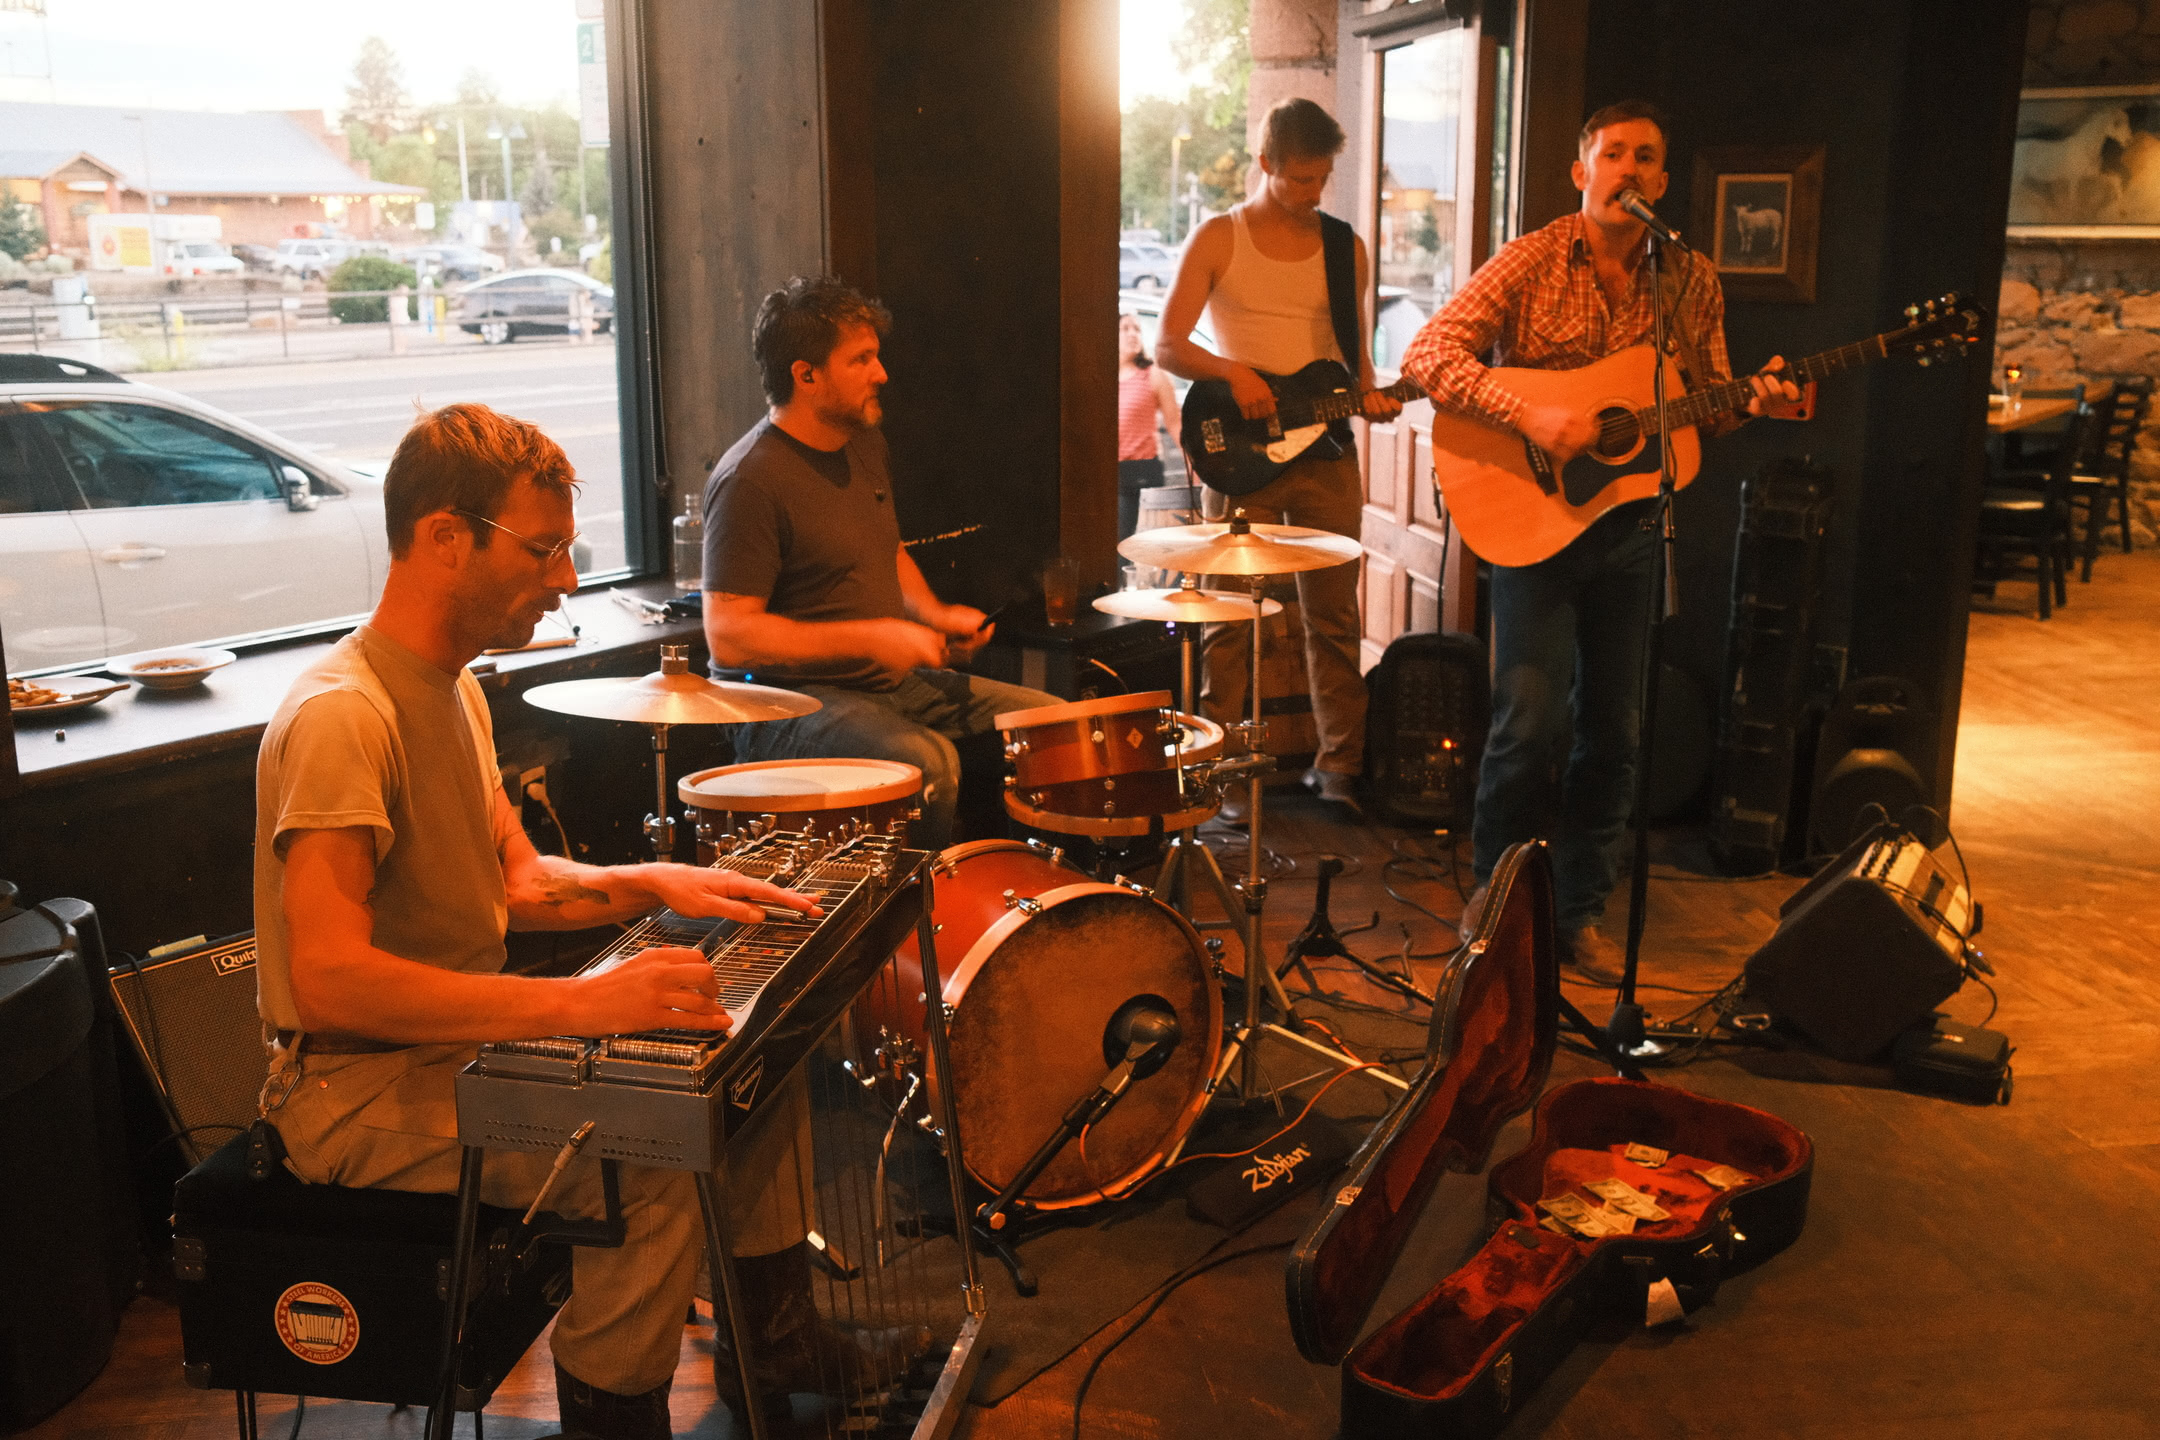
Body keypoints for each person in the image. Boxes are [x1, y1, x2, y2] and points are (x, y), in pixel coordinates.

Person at [252, 403, 860, 1440]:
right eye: (543, 550)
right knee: (647, 1149)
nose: (568, 577)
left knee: (740, 1069)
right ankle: (612, 1424)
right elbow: (329, 982)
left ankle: (778, 1351)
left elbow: (520, 887)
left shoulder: (454, 692)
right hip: (350, 1091)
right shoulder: (342, 717)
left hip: (449, 1053)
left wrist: (659, 880)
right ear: (447, 537)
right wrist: (582, 1005)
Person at [1398, 99, 1801, 982]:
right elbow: (1429, 356)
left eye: (1645, 157)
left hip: (1632, 529)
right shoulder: (1532, 259)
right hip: (1531, 525)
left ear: (1662, 181)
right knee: (1528, 724)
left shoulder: (1690, 280)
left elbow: (1703, 413)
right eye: (1611, 154)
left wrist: (1753, 402)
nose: (1627, 169)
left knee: (1617, 732)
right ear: (1581, 172)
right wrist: (1533, 413)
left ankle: (1578, 914)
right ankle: (1492, 911)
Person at [702, 275, 1060, 850]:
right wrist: (872, 637)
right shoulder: (750, 479)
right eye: (861, 359)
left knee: (1052, 727)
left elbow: (885, 550)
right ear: (806, 374)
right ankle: (916, 930)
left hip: (885, 685)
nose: (881, 373)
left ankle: (1020, 903)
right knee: (929, 762)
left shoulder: (863, 443)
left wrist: (935, 615)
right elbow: (729, 637)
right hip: (784, 706)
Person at [1154, 97, 1403, 819]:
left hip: (1324, 447)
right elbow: (1169, 345)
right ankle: (1219, 766)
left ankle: (1339, 768)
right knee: (1228, 619)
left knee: (1333, 616)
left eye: (1322, 179)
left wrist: (1373, 395)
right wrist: (1234, 374)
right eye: (1298, 179)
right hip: (1239, 450)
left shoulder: (1343, 246)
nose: (1312, 193)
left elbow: (1355, 363)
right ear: (1265, 164)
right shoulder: (1217, 238)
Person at [1117, 311, 1182, 540]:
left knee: (1123, 542)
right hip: (1104, 471)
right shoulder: (1101, 377)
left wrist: (1197, 467)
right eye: (1125, 328)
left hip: (1139, 470)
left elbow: (1175, 425)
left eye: (1136, 329)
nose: (1133, 334)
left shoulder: (1152, 375)